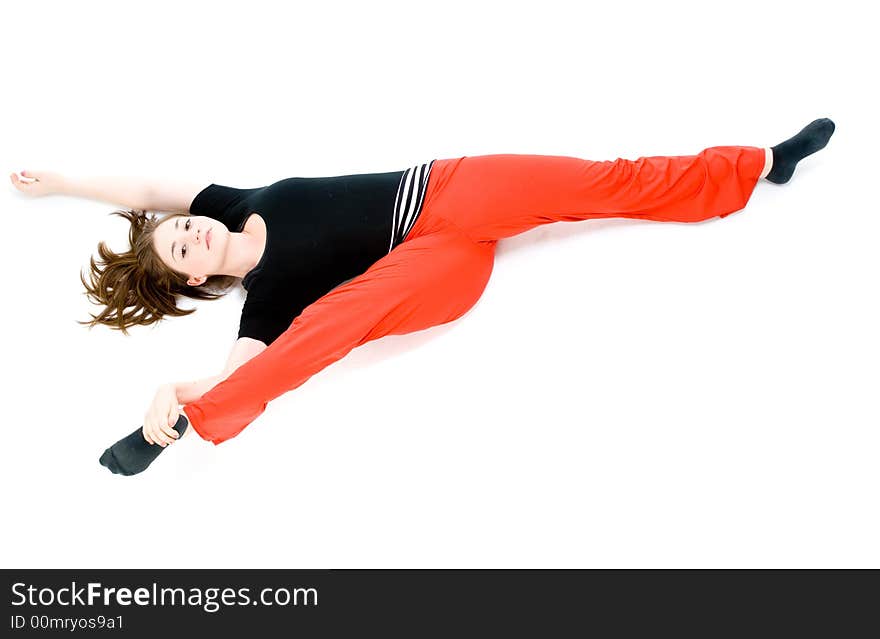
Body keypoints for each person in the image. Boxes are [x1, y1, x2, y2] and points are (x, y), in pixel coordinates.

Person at [9, 118, 836, 476]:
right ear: (195, 275)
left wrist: (65, 184)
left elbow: (150, 181)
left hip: (452, 187)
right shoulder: (263, 303)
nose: (188, 233)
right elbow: (269, 363)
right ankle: (188, 409)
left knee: (601, 180)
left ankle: (761, 163)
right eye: (180, 249)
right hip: (434, 269)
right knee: (326, 329)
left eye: (179, 228)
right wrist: (180, 385)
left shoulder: (228, 199)